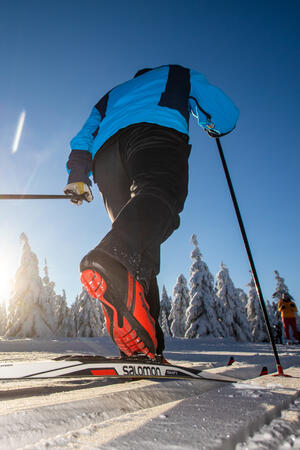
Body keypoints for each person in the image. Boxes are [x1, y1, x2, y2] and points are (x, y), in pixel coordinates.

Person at [64, 64, 239, 360]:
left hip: (106, 157)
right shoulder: (176, 73)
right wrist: (213, 126)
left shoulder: (112, 95)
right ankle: (109, 258)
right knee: (159, 196)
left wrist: (77, 176)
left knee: (138, 242)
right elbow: (224, 115)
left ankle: (146, 343)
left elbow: (84, 137)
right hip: (155, 133)